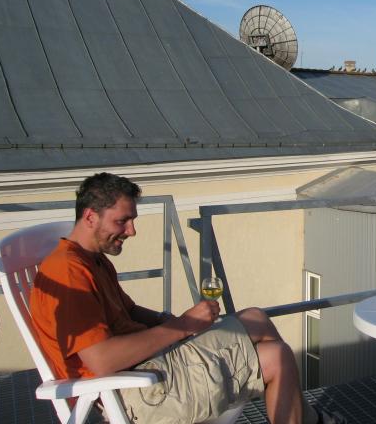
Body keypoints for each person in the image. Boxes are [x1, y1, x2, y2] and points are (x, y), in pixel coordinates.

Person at [30, 172, 344, 424]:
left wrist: (172, 321)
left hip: (150, 365)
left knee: (256, 318)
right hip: (132, 392)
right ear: (90, 217)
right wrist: (182, 327)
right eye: (122, 221)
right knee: (277, 357)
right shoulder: (67, 272)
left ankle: (311, 420)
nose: (132, 231)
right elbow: (101, 361)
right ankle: (312, 420)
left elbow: (130, 311)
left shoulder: (92, 260)